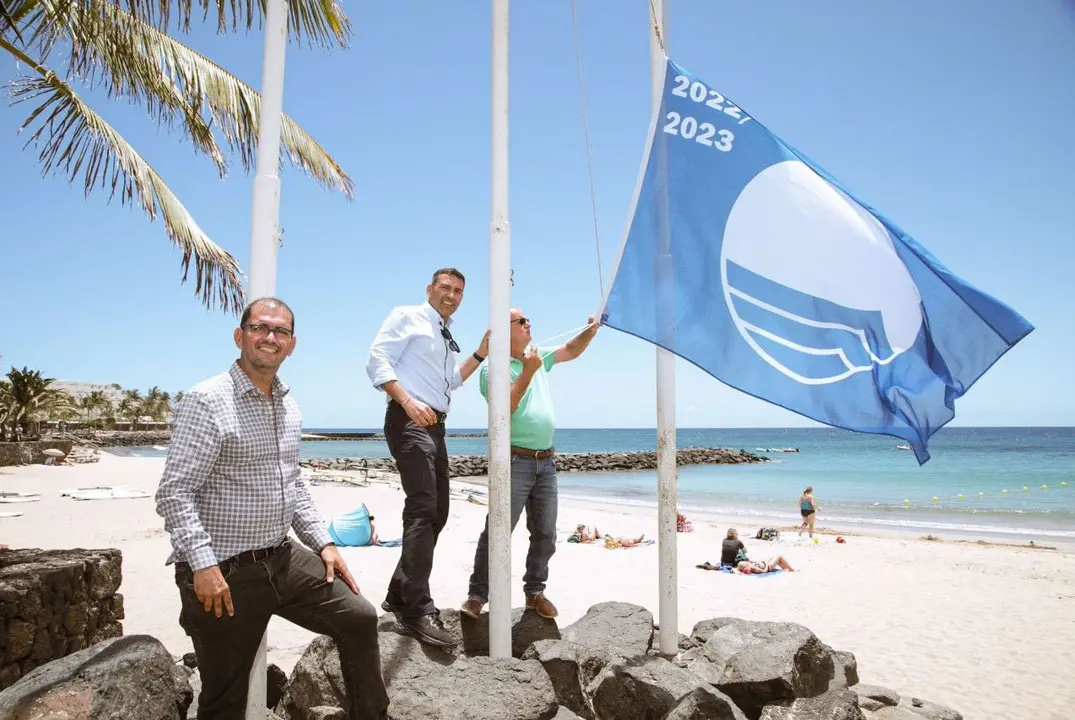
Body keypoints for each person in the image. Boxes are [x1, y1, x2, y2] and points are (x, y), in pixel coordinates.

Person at [155, 298, 389, 720]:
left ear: (292, 344)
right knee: (224, 698)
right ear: (239, 335)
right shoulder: (207, 399)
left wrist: (323, 543)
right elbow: (174, 493)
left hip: (282, 559)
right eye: (260, 328)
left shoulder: (288, 403)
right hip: (222, 572)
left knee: (358, 617)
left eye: (280, 332)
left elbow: (291, 483)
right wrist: (204, 567)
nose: (270, 338)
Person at [366, 268, 488, 647]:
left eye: (458, 291)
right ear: (430, 289)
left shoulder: (444, 332)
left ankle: (400, 591)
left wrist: (481, 353)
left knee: (439, 511)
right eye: (445, 288)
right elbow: (376, 361)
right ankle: (415, 607)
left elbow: (452, 381)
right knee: (422, 508)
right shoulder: (409, 316)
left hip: (435, 425)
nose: (451, 295)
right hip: (409, 420)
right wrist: (407, 401)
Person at [460, 309, 599, 620]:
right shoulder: (492, 369)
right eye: (521, 321)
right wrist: (528, 371)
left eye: (527, 319)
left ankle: (534, 592)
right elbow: (504, 408)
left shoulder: (535, 355)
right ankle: (477, 595)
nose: (528, 324)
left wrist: (592, 329)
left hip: (546, 462)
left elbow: (572, 350)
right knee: (497, 531)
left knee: (546, 533)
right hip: (513, 460)